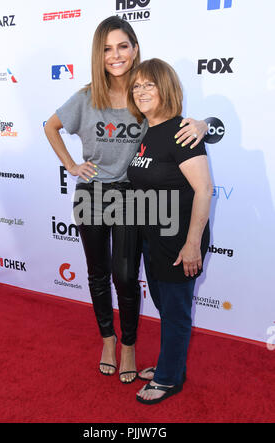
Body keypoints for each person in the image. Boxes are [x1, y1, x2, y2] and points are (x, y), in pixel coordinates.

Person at [44, 16, 208, 385]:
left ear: (135, 49)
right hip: (91, 195)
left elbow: (174, 123)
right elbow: (49, 126)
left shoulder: (143, 94)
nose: (115, 55)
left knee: (125, 276)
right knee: (97, 273)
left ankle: (130, 345)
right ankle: (108, 340)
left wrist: (204, 124)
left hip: (132, 196)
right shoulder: (87, 97)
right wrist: (71, 164)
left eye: (122, 46)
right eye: (106, 48)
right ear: (98, 55)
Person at [127, 58, 212, 404]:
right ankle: (171, 364)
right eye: (137, 85)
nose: (141, 91)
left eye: (150, 84)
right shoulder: (147, 131)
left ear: (167, 89)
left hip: (180, 243)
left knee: (175, 312)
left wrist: (193, 244)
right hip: (153, 239)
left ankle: (168, 379)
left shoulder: (183, 132)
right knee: (166, 308)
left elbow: (204, 190)